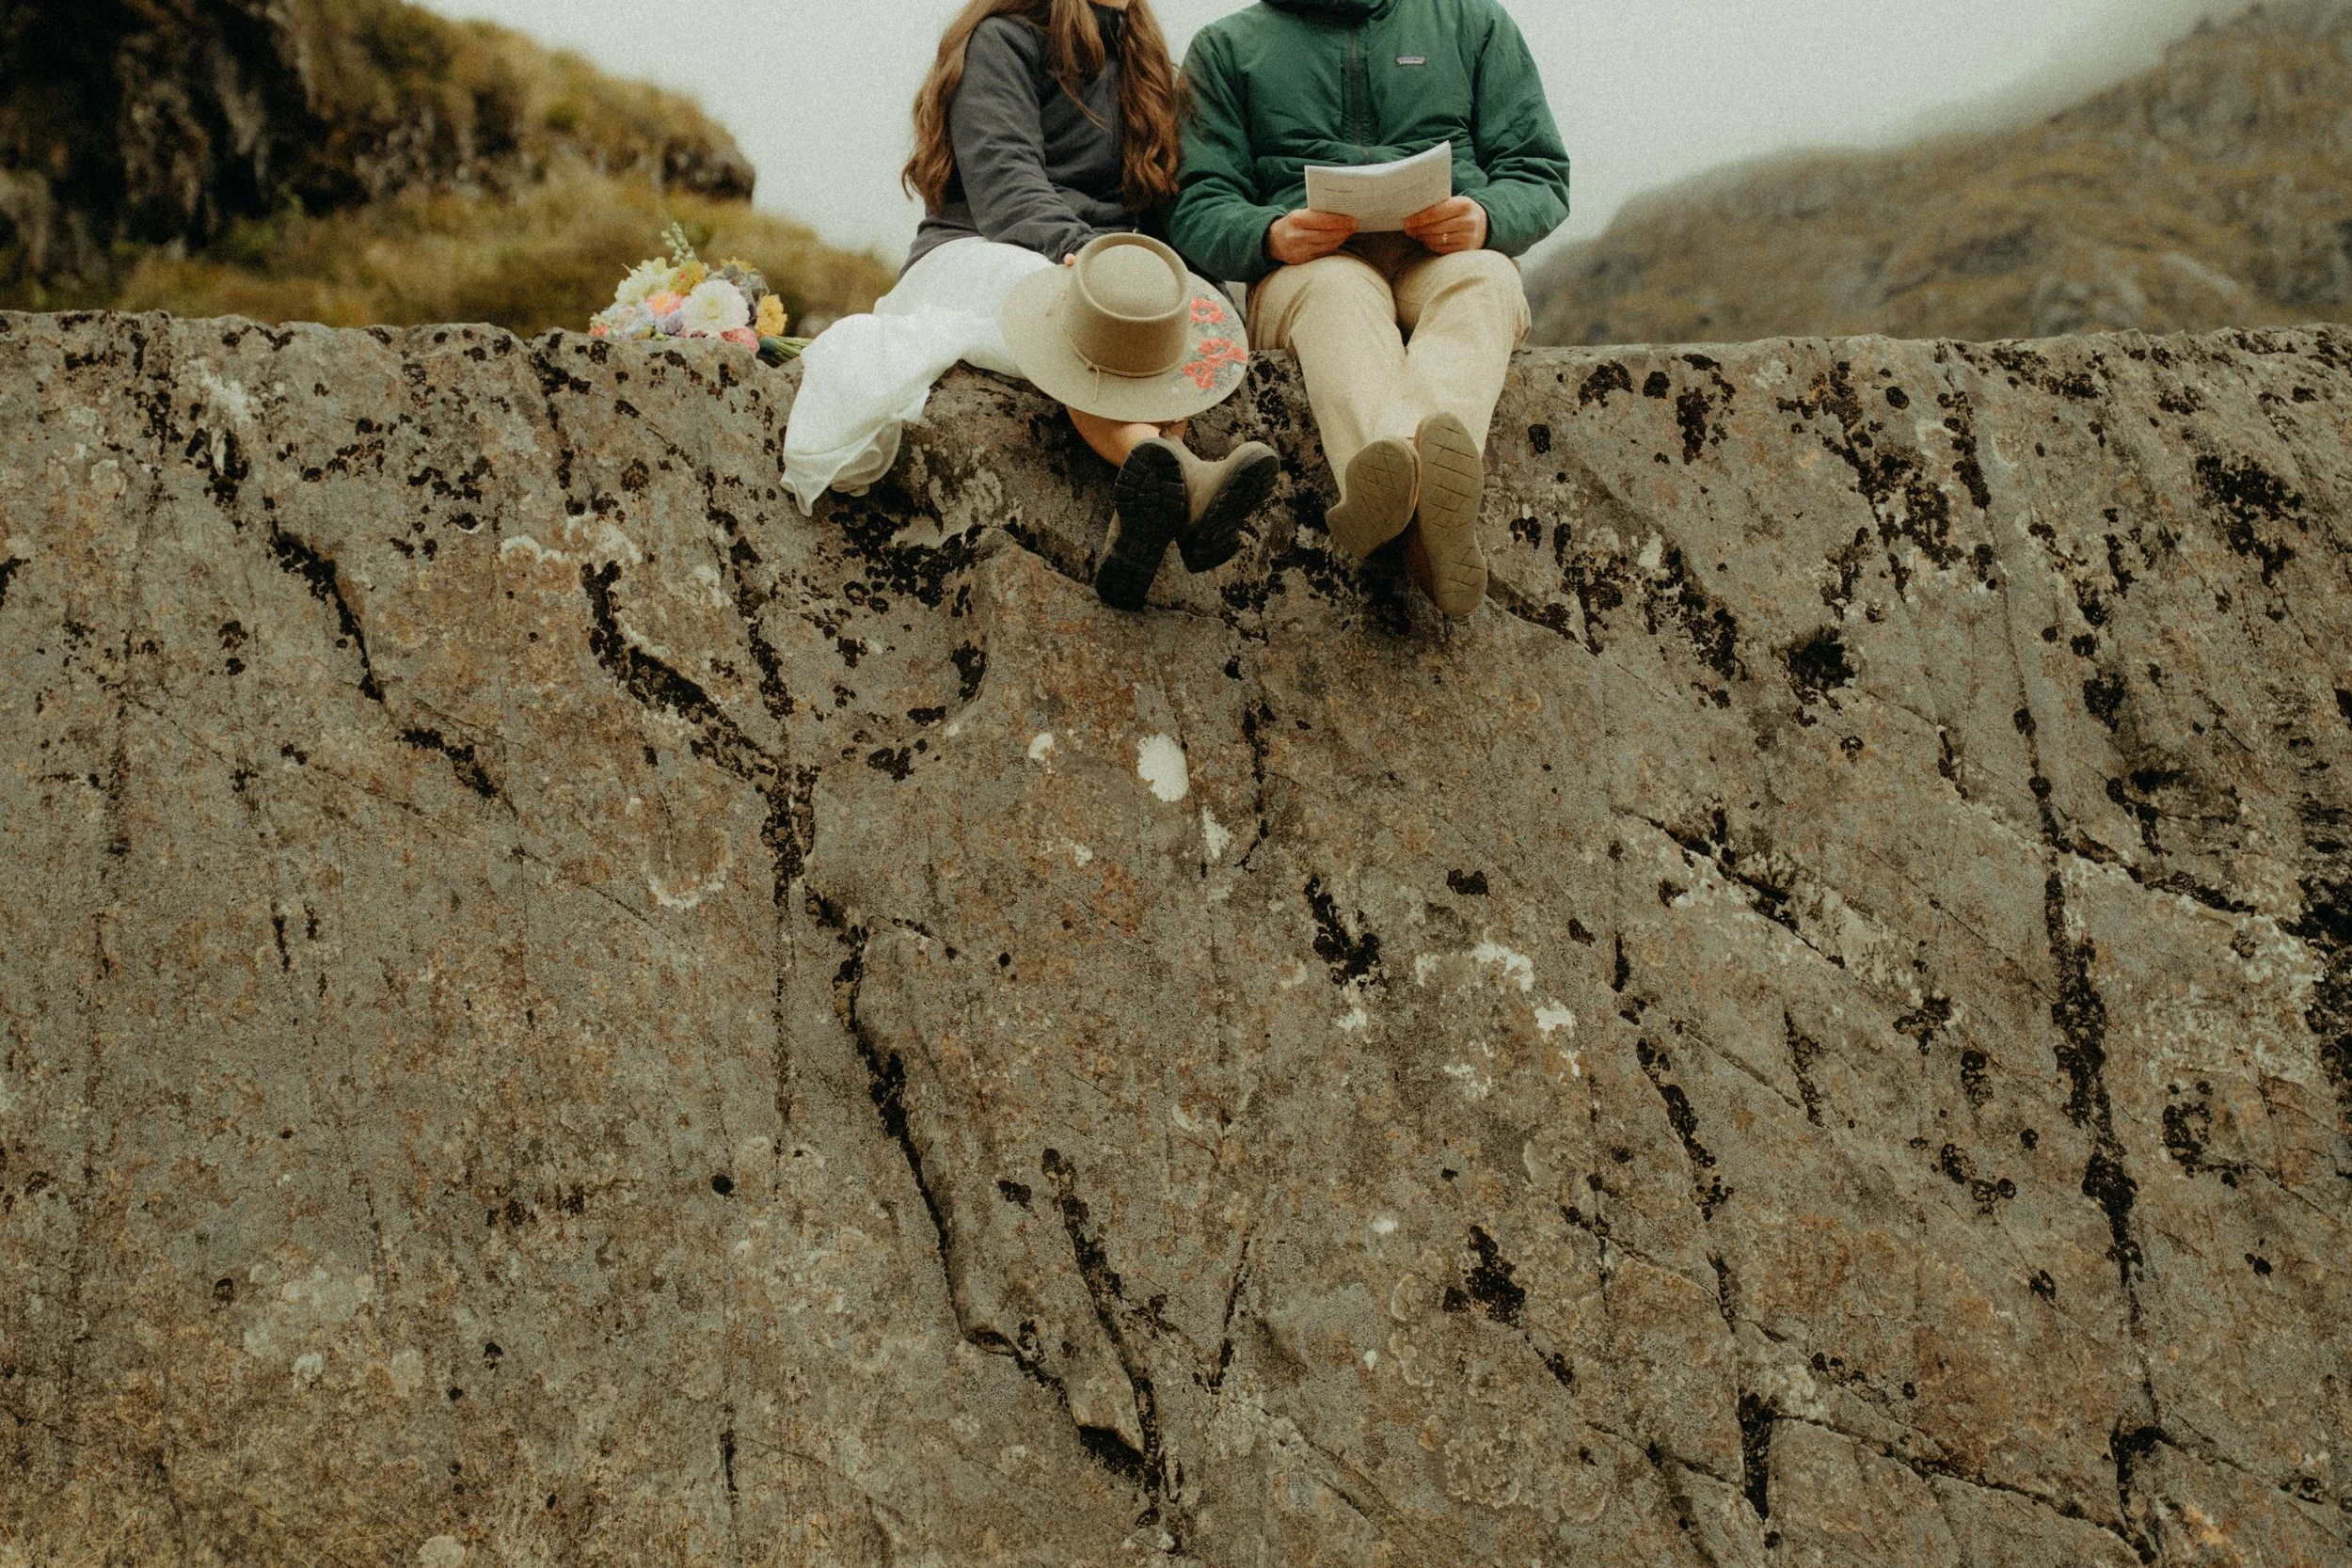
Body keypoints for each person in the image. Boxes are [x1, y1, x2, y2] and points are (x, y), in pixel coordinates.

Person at [783, 0, 1279, 612]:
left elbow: (1158, 211)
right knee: (1077, 307)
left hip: (1089, 266)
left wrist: (1190, 298)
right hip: (980, 254)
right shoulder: (1002, 41)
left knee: (1158, 322)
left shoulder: (1141, 59)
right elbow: (1007, 184)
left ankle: (1144, 519)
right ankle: (1178, 472)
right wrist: (1094, 262)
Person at [1168, 0, 1570, 618]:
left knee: (1488, 281)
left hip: (1442, 254)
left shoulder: (1473, 22)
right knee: (1337, 296)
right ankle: (1421, 519)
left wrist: (1486, 217)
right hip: (1306, 268)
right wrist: (1268, 233)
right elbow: (1195, 202)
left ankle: (1395, 497)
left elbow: (1538, 170)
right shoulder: (1225, 47)